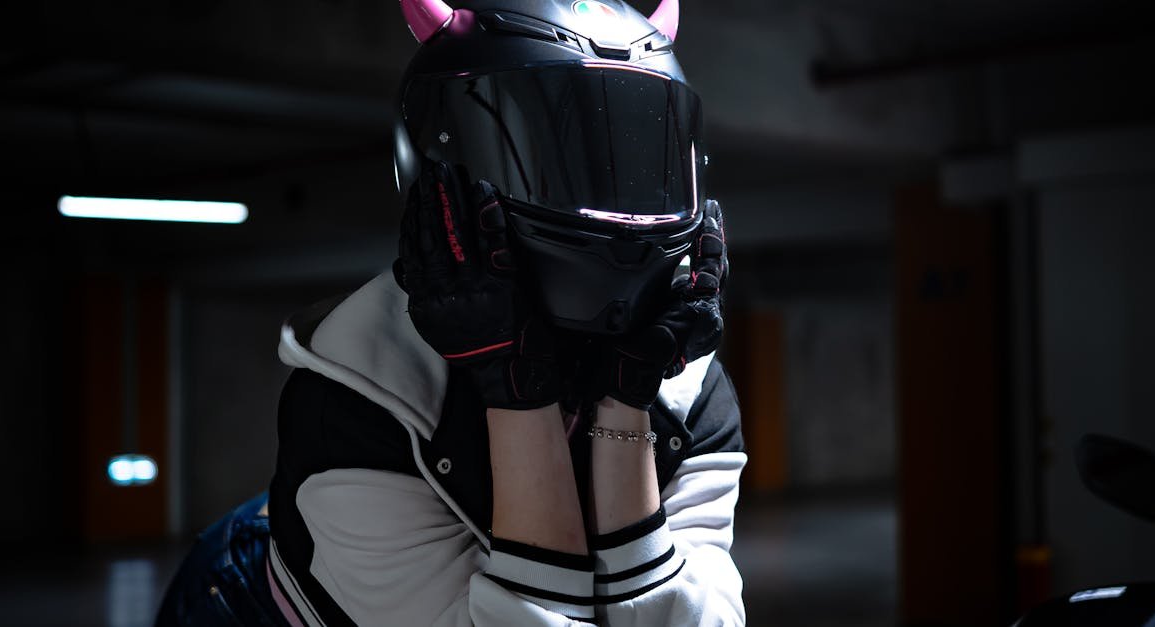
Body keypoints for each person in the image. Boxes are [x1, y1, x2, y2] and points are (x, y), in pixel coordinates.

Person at [157, 0, 746, 624]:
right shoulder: (357, 397)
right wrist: (520, 400)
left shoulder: (689, 385)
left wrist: (625, 401)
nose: (612, 201)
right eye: (556, 160)